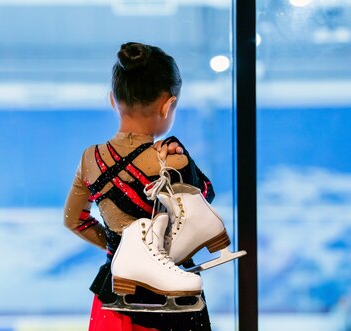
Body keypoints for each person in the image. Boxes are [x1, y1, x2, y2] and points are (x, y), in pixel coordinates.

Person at [63, 42, 215, 331]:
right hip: (170, 297)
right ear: (168, 105)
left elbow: (75, 220)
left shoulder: (90, 159)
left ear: (112, 100)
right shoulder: (173, 159)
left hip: (115, 292)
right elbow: (204, 203)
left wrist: (118, 250)